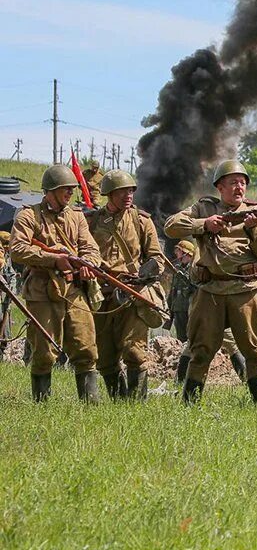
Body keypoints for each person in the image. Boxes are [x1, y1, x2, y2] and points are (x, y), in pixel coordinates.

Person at [164, 160, 257, 404]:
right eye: (233, 182)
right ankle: (189, 405)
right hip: (210, 290)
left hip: (245, 290)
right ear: (220, 186)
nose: (239, 187)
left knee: (254, 351)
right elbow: (171, 226)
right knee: (200, 350)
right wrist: (204, 224)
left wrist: (253, 228)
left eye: (243, 183)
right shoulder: (204, 208)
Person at [9, 164, 102, 402]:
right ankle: (42, 406)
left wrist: (87, 264)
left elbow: (91, 249)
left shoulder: (77, 217)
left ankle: (91, 405)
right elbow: (18, 250)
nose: (70, 194)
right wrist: (53, 260)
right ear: (50, 191)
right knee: (44, 352)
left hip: (73, 289)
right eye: (65, 189)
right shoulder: (29, 215)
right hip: (42, 291)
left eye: (72, 189)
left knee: (86, 348)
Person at [86, 169, 163, 401]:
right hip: (102, 295)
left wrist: (144, 275)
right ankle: (119, 401)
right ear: (109, 193)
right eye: (122, 191)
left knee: (134, 350)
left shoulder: (141, 221)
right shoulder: (92, 221)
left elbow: (157, 258)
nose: (128, 195)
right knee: (105, 356)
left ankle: (137, 404)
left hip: (133, 293)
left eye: (131, 190)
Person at [168, 240, 246, 384]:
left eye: (179, 251)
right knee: (192, 342)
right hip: (200, 307)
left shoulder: (200, 262)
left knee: (229, 343)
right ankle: (180, 381)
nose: (177, 254)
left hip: (212, 306)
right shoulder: (190, 265)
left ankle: (246, 378)